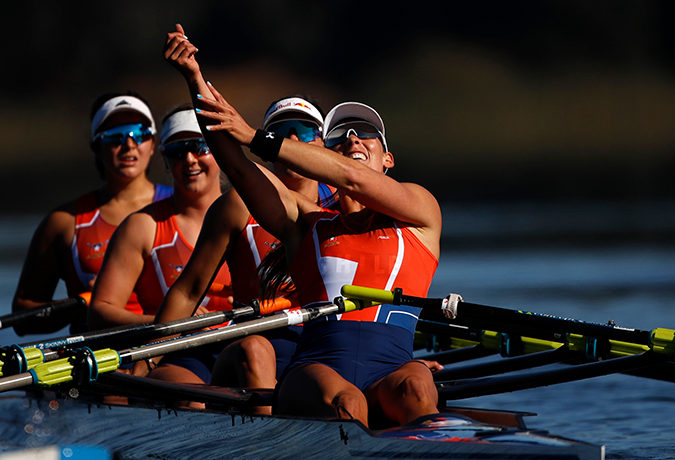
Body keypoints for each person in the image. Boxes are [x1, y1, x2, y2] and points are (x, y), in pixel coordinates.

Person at [166, 25, 443, 428]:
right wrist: (194, 78)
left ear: (388, 161)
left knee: (417, 390)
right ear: (327, 157)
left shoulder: (421, 213)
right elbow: (239, 168)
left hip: (393, 366)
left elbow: (355, 179)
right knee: (348, 403)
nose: (353, 140)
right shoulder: (303, 223)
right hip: (316, 370)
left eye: (366, 135)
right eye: (341, 138)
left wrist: (255, 136)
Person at [87, 104, 229, 388]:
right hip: (169, 356)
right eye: (176, 151)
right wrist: (169, 321)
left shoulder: (249, 215)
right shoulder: (141, 227)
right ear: (164, 161)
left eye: (199, 146)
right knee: (194, 396)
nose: (189, 160)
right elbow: (99, 313)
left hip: (238, 345)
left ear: (219, 152)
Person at [12, 92, 172, 336]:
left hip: (170, 344)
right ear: (96, 148)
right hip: (100, 355)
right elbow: (22, 317)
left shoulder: (183, 206)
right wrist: (84, 304)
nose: (129, 144)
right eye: (115, 136)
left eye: (139, 133)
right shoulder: (64, 222)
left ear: (153, 144)